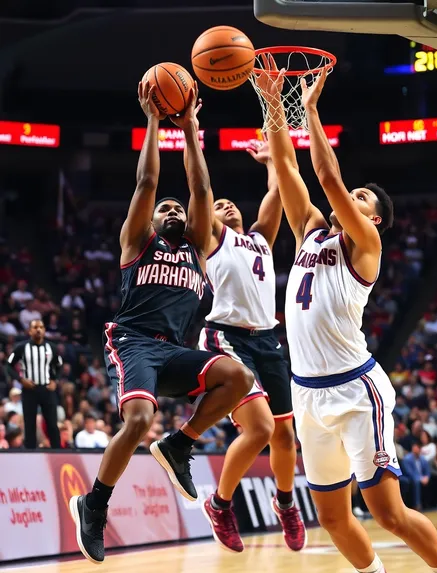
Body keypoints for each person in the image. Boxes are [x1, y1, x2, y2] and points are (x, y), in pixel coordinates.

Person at [256, 60, 437, 573]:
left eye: (363, 197)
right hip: (306, 391)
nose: (354, 195)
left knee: (387, 513)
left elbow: (326, 175)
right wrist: (273, 104)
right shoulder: (310, 233)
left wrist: (310, 109)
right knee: (332, 515)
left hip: (354, 390)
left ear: (373, 219)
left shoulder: (365, 244)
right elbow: (287, 171)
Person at [69, 80, 253, 565]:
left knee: (238, 377)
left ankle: (180, 445)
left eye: (178, 209)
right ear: (149, 221)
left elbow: (200, 188)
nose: (172, 209)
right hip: (131, 342)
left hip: (173, 349)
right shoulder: (138, 242)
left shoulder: (198, 248)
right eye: (164, 210)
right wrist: (153, 122)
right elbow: (147, 184)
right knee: (138, 420)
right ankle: (95, 505)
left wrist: (191, 130)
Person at [193, 126, 305, 552]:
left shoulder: (259, 238)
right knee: (258, 429)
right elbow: (203, 200)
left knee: (283, 436)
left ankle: (286, 502)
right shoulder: (212, 239)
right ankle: (220, 504)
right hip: (226, 338)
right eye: (219, 206)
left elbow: (278, 194)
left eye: (230, 202)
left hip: (268, 340)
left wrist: (272, 162)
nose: (226, 206)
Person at [7, 319, 62, 449]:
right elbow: (8, 366)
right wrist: (21, 380)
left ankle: (58, 452)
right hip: (29, 389)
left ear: (44, 330)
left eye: (41, 327)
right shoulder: (21, 347)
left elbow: (59, 365)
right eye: (35, 327)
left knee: (52, 423)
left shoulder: (52, 348)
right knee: (29, 424)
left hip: (47, 389)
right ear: (30, 331)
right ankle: (30, 453)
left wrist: (55, 380)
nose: (38, 329)